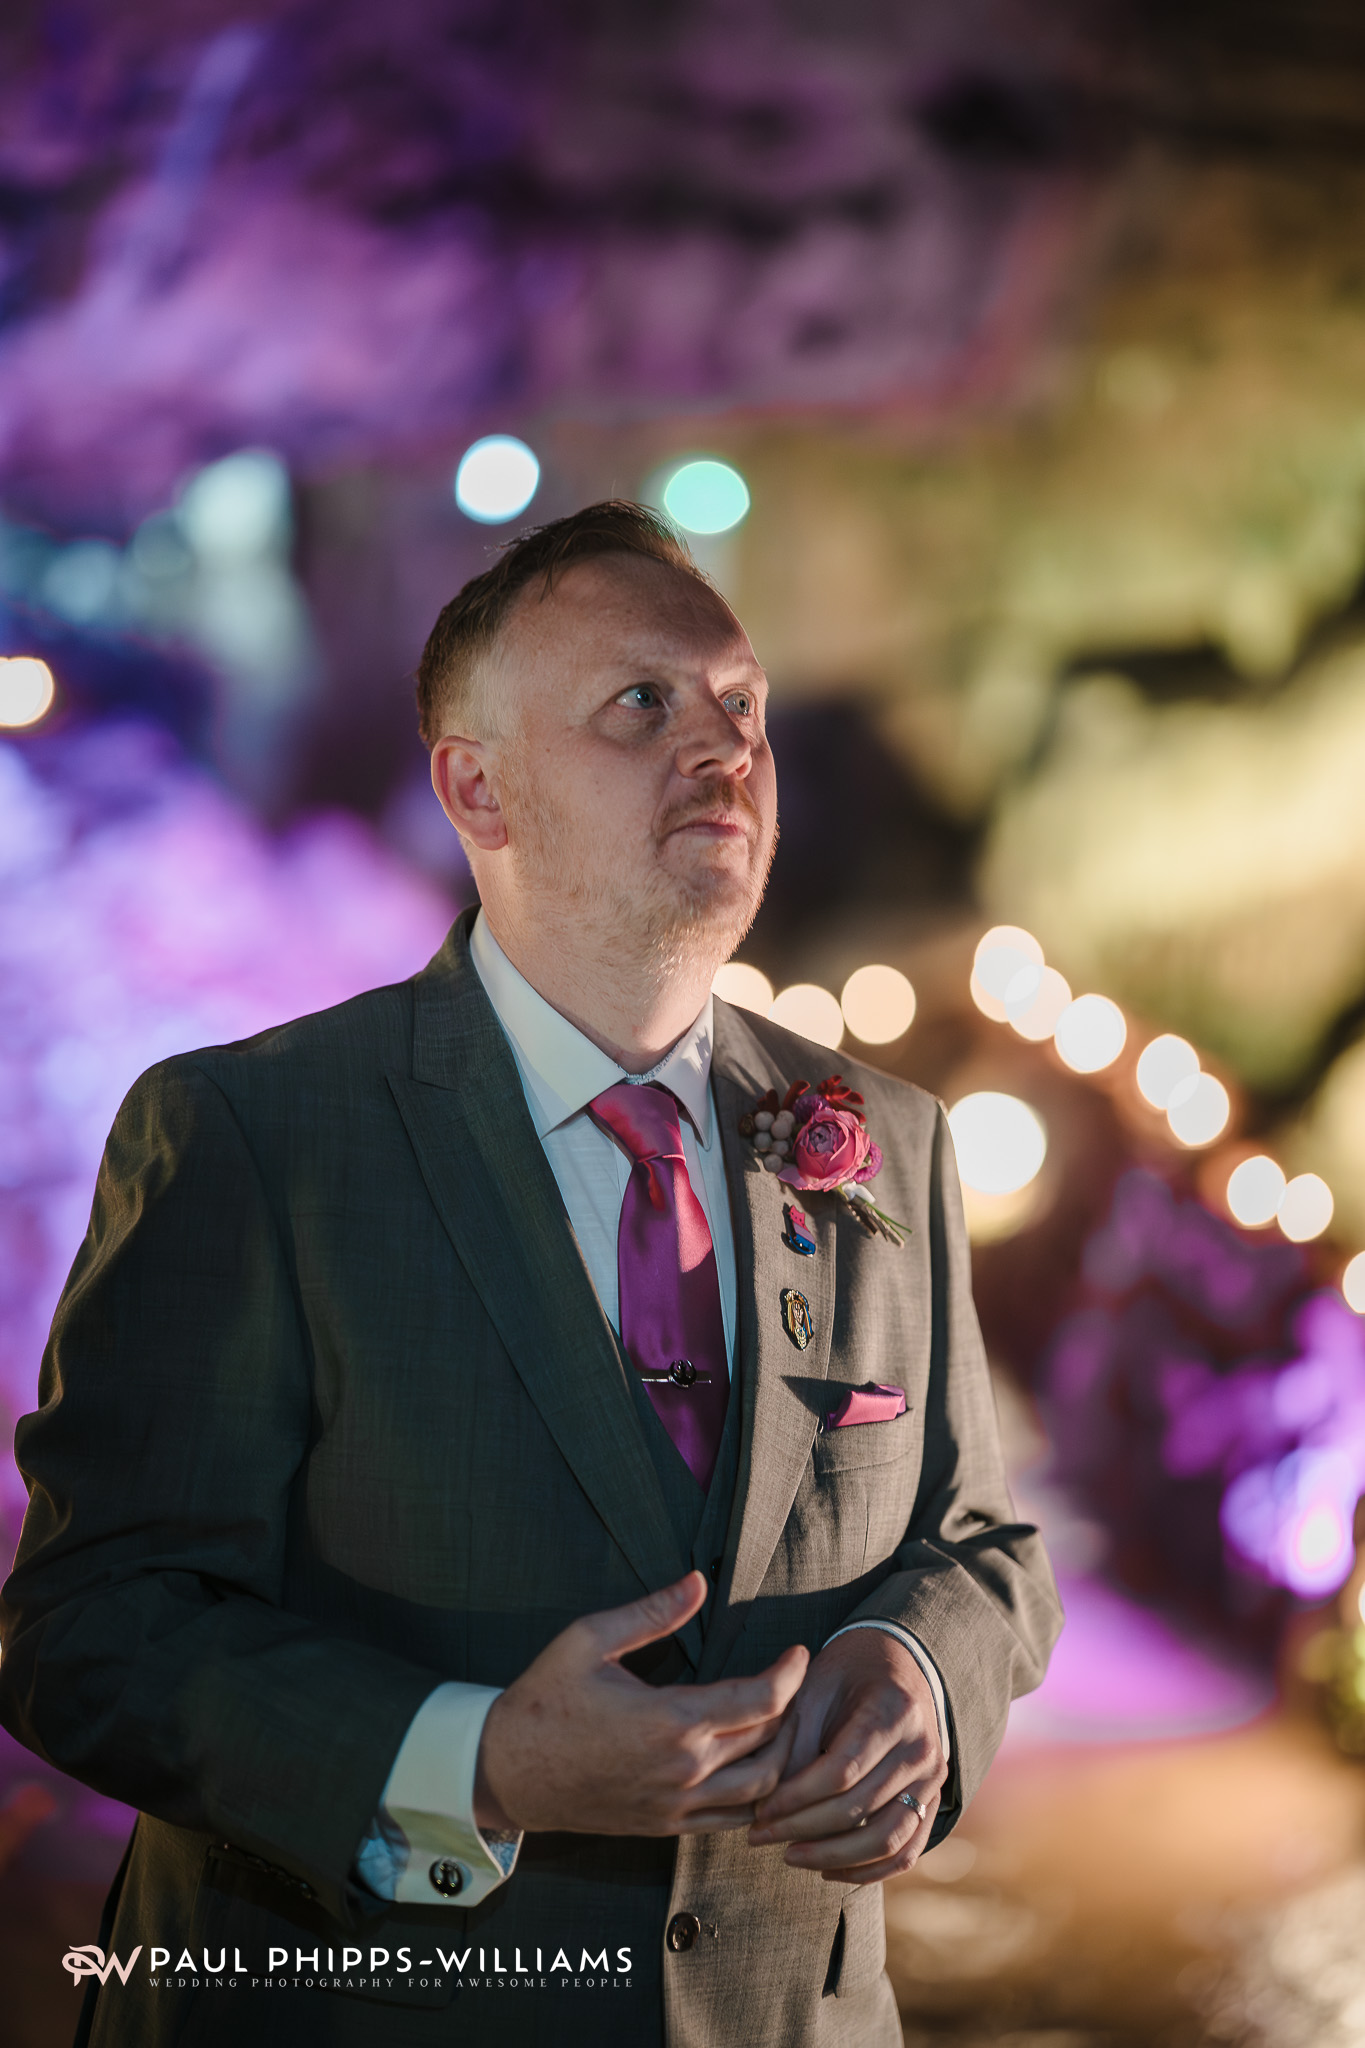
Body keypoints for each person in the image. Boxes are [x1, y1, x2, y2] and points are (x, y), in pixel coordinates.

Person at [0, 502, 1061, 2048]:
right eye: (641, 702)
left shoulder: (885, 1139)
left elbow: (981, 1542)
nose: (722, 744)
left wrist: (915, 1670)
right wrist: (477, 1759)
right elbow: (89, 1630)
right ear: (474, 787)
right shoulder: (251, 1137)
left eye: (740, 703)